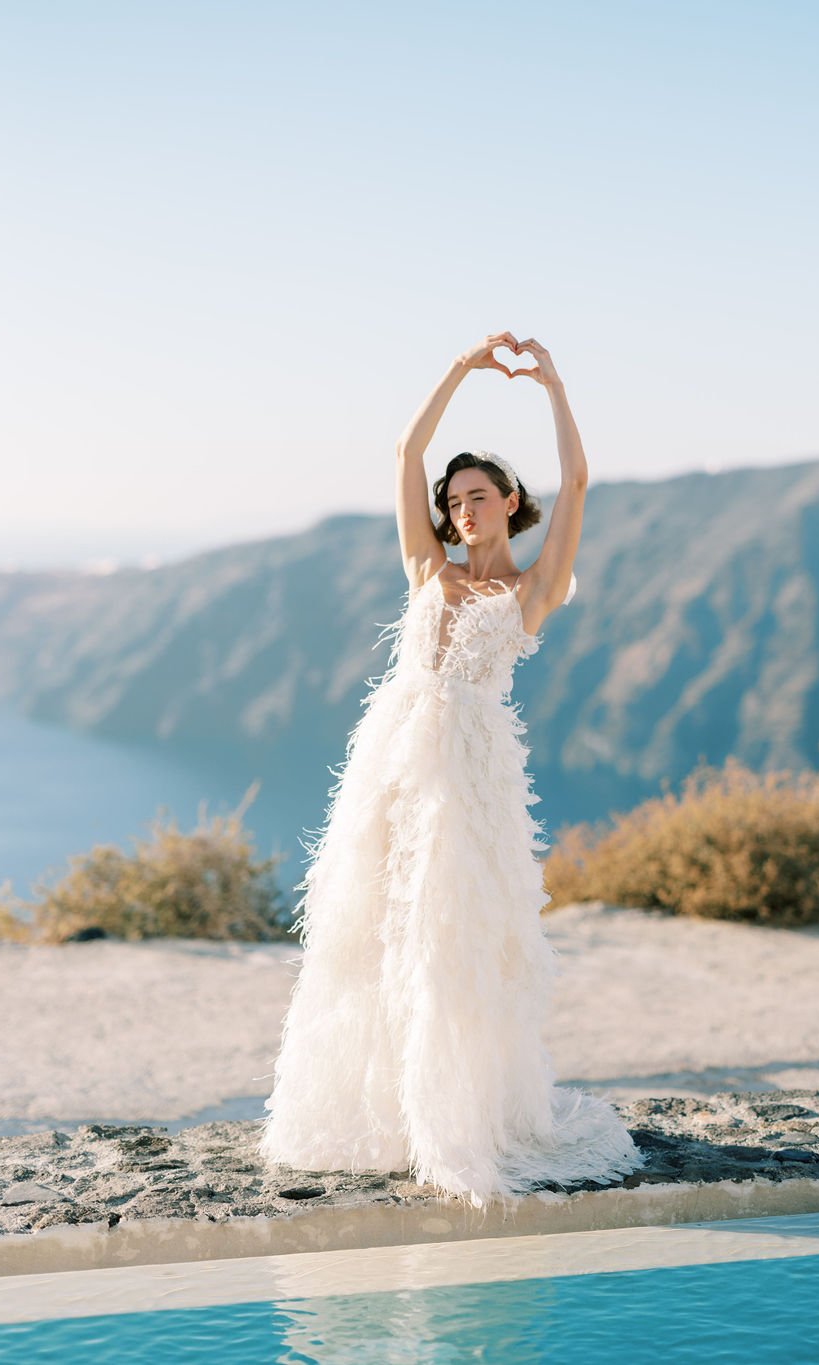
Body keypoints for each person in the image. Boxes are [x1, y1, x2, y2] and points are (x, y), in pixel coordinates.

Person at [257, 332, 646, 1210]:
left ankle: (457, 1119)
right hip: (391, 766)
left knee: (451, 941)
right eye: (453, 499)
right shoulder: (426, 569)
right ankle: (389, 1117)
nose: (462, 508)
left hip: (468, 782)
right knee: (374, 934)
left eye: (479, 495)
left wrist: (552, 385)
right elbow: (406, 450)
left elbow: (580, 482)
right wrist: (461, 369)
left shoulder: (533, 590)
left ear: (510, 501)